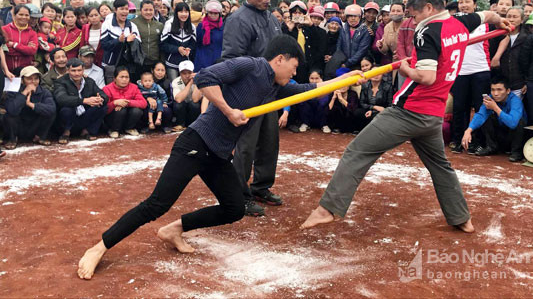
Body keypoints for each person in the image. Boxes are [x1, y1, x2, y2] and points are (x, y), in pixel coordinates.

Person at [76, 34, 363, 280]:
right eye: (294, 66)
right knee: (157, 203)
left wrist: (343, 78)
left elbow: (304, 90)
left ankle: (175, 229)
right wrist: (227, 110)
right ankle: (99, 247)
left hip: (218, 154)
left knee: (234, 207)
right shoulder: (249, 66)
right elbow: (205, 78)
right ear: (280, 59)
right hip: (196, 143)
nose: (294, 73)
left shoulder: (275, 84)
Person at [301, 0, 512, 233]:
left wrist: (405, 69)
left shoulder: (428, 30)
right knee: (440, 166)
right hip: (432, 115)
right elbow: (487, 16)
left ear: (430, 8)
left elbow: (427, 77)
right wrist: (500, 20)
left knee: (357, 151)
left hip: (409, 111)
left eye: (414, 14)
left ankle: (328, 209)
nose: (412, 21)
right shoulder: (460, 23)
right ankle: (461, 218)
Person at [221, 0, 283, 217]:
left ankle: (261, 186)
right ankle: (239, 194)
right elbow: (231, 59)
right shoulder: (238, 20)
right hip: (248, 93)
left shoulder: (272, 19)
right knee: (246, 146)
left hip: (271, 91)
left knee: (270, 141)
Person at [449, 0, 492, 154]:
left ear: (475, 4)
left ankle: (478, 142)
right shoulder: (453, 22)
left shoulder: (486, 22)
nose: (463, 5)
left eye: (467, 2)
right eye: (461, 2)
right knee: (460, 107)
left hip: (481, 70)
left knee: (480, 107)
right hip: (460, 71)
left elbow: (504, 37)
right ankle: (459, 140)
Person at [461, 76, 526, 162]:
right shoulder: (490, 99)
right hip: (500, 134)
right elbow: (480, 115)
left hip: (513, 136)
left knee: (519, 121)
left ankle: (516, 152)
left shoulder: (515, 100)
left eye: (499, 90)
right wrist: (468, 130)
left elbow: (513, 123)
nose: (495, 93)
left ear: (508, 91)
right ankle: (492, 147)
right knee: (485, 117)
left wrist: (495, 108)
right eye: (493, 90)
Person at [53, 58, 108, 143]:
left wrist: (100, 99)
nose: (77, 73)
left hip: (84, 117)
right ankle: (66, 132)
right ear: (68, 70)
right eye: (73, 71)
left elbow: (104, 95)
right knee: (66, 109)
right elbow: (61, 99)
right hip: (68, 117)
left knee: (102, 106)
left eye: (79, 70)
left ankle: (87, 131)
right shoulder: (60, 82)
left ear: (83, 70)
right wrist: (84, 101)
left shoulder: (89, 81)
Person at [3, 66, 56, 149]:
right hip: (19, 125)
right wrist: (24, 93)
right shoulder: (13, 91)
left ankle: (40, 136)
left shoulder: (44, 92)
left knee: (50, 113)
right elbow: (12, 110)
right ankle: (13, 139)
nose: (33, 82)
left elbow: (51, 109)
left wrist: (32, 105)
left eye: (36, 79)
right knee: (9, 115)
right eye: (29, 79)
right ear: (22, 80)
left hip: (34, 125)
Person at [100, 0, 142, 84]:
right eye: (121, 9)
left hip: (128, 65)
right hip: (111, 64)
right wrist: (118, 40)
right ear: (115, 10)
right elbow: (104, 45)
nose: (125, 12)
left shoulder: (132, 26)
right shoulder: (107, 24)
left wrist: (128, 41)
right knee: (112, 89)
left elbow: (137, 43)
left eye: (126, 9)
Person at [325, 4, 371, 79]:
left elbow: (362, 51)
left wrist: (348, 63)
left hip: (357, 65)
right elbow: (339, 46)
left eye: (355, 16)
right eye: (350, 16)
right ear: (347, 17)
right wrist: (339, 61)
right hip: (342, 63)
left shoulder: (364, 31)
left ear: (360, 17)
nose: (353, 18)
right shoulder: (343, 29)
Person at [491, 7, 527, 98]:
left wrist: (526, 82)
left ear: (522, 20)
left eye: (515, 17)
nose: (511, 19)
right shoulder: (496, 35)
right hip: (500, 84)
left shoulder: (527, 37)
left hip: (519, 83)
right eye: (509, 16)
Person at [103, 66, 147, 138]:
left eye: (127, 77)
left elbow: (143, 103)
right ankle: (114, 130)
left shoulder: (134, 87)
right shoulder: (107, 89)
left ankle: (129, 128)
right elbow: (104, 109)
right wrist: (114, 103)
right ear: (115, 78)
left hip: (128, 116)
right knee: (121, 110)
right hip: (113, 118)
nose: (124, 79)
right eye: (121, 77)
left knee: (137, 110)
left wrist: (127, 103)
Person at [161, 2, 196, 81]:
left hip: (187, 64)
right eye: (181, 12)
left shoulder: (192, 27)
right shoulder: (169, 25)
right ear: (176, 13)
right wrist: (177, 49)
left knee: (187, 87)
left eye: (186, 12)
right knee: (174, 86)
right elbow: (163, 45)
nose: (184, 14)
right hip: (172, 63)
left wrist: (189, 49)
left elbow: (193, 44)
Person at [354, 64, 393, 130]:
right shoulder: (365, 85)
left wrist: (373, 111)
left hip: (382, 111)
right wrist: (373, 107)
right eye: (374, 73)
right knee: (357, 112)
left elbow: (390, 105)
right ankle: (360, 130)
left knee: (376, 115)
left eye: (378, 73)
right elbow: (362, 102)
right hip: (368, 109)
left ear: (382, 74)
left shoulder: (388, 86)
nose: (376, 75)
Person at [131, 0, 164, 75]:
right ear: (141, 10)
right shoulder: (133, 23)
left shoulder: (159, 25)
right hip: (138, 62)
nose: (148, 12)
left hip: (154, 61)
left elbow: (161, 43)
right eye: (145, 10)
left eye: (150, 10)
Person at [3, 4, 38, 71]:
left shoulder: (32, 33)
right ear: (14, 15)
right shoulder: (5, 30)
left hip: (25, 72)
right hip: (6, 70)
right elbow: (5, 50)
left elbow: (32, 51)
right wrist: (24, 50)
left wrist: (14, 45)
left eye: (27, 15)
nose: (24, 17)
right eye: (21, 14)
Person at [171, 60, 203, 131]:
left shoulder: (199, 79)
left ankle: (192, 124)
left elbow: (195, 99)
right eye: (184, 73)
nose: (187, 76)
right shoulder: (176, 81)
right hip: (183, 108)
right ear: (180, 73)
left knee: (194, 104)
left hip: (193, 109)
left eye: (189, 73)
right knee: (178, 104)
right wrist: (190, 83)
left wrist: (196, 82)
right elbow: (178, 99)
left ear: (193, 72)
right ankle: (180, 124)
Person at [195, 0, 224, 72]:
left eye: (215, 13)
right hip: (202, 60)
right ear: (207, 13)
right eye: (211, 13)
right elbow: (197, 43)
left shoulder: (223, 27)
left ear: (219, 14)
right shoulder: (201, 26)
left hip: (218, 61)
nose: (213, 15)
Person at [327, 68, 359, 134]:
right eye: (341, 84)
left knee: (354, 112)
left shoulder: (353, 94)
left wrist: (342, 100)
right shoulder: (333, 94)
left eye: (345, 84)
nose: (343, 86)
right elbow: (328, 110)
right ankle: (336, 128)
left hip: (350, 122)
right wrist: (333, 98)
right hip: (339, 123)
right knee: (335, 109)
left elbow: (353, 108)